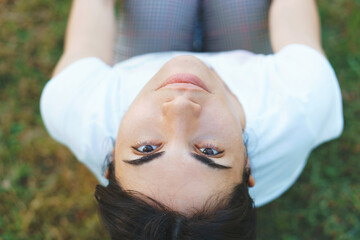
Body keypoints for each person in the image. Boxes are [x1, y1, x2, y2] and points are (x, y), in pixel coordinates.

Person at [40, 0, 343, 239]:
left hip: (147, 55)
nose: (181, 107)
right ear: (248, 167)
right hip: (248, 54)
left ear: (109, 163)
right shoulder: (300, 103)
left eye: (146, 148)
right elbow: (290, 6)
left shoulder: (79, 107)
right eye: (209, 151)